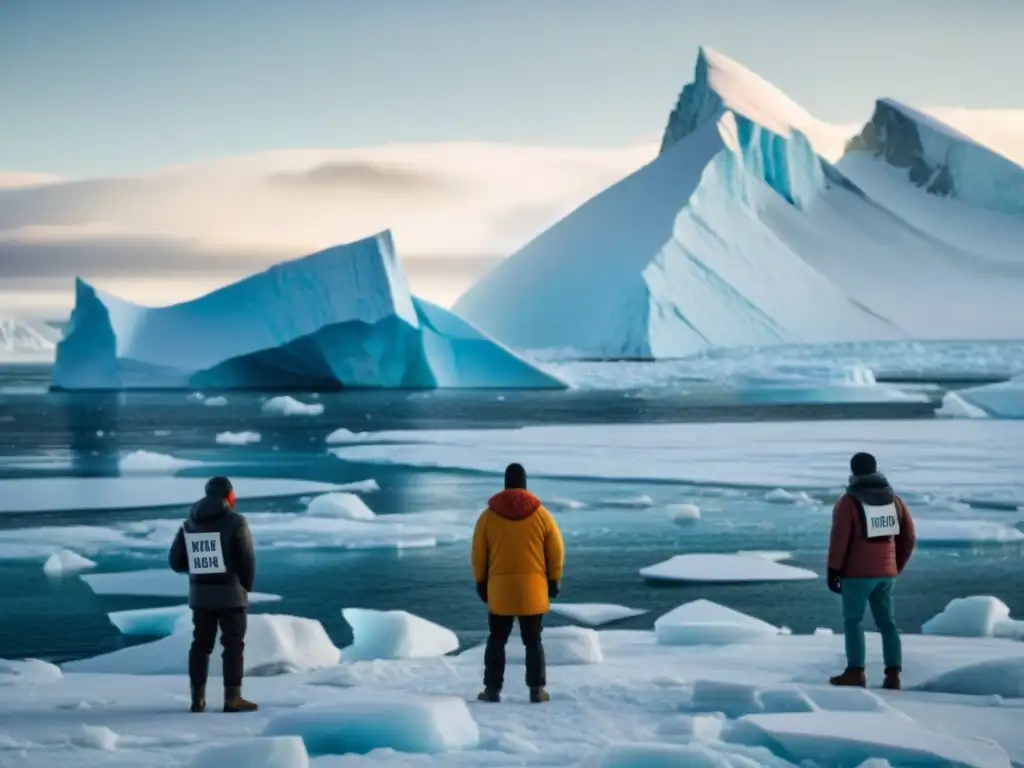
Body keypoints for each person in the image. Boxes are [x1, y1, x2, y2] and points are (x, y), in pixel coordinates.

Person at [471, 462, 565, 703]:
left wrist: (481, 581)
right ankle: (537, 690)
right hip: (533, 590)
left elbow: (478, 553)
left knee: (497, 639)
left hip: (499, 590)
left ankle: (492, 690)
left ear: (505, 483)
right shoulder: (542, 515)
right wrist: (554, 579)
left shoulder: (488, 517)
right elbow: (556, 551)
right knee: (533, 640)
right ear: (525, 483)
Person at [826, 452, 916, 690]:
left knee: (853, 621)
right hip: (886, 574)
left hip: (856, 574)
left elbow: (839, 539)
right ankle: (893, 675)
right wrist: (895, 565)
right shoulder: (893, 500)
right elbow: (908, 536)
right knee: (888, 623)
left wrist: (833, 569)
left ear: (853, 471)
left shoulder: (849, 501)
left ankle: (855, 671)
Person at [169, 476, 258, 713]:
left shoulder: (189, 524)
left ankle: (197, 699)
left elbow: (176, 562)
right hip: (231, 595)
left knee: (200, 645)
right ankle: (233, 698)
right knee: (233, 646)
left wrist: (200, 570)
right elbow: (246, 559)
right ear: (228, 496)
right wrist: (246, 587)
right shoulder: (237, 521)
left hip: (201, 597)